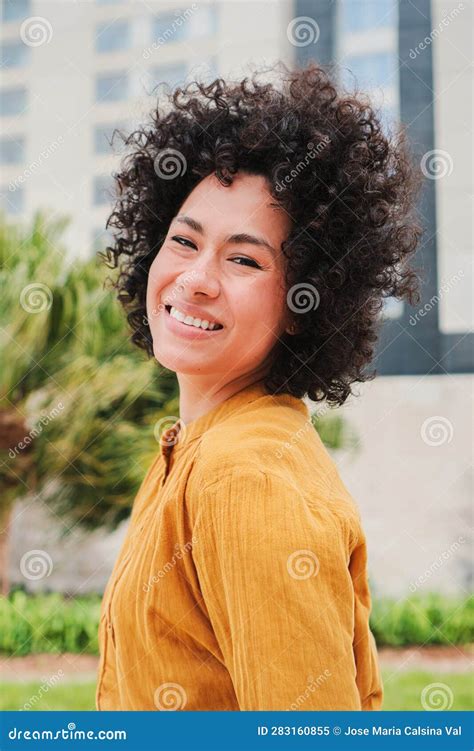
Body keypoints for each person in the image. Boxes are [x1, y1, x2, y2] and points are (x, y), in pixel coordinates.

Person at [96, 61, 421, 711]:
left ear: (304, 299)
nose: (195, 279)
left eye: (243, 258)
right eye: (184, 241)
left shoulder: (246, 475)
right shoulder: (193, 449)